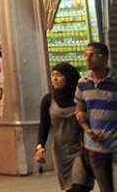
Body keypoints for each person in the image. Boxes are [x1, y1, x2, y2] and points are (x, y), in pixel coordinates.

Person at [35, 63, 93, 192]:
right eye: (52, 75)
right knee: (70, 187)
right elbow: (44, 125)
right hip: (60, 151)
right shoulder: (48, 99)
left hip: (81, 148)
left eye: (59, 75)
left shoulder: (80, 98)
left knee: (79, 186)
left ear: (69, 78)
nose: (54, 79)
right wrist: (40, 146)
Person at [76, 42, 117, 192]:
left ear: (104, 58)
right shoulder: (83, 83)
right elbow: (79, 111)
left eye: (92, 55)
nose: (87, 58)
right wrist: (87, 129)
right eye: (86, 54)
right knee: (106, 188)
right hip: (95, 147)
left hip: (115, 144)